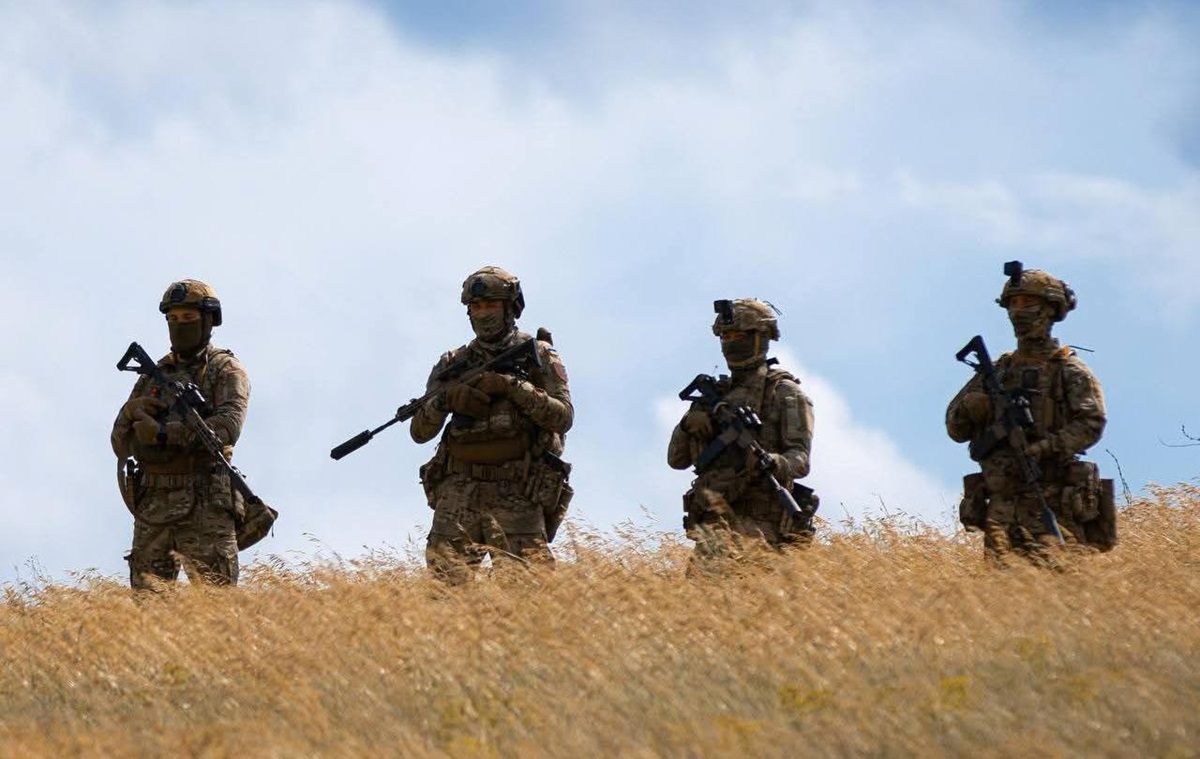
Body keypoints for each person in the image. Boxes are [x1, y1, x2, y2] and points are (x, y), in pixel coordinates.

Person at [411, 266, 573, 584]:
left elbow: (563, 417)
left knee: (528, 593)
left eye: (491, 305)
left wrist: (510, 387)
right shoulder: (452, 364)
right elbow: (419, 432)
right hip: (459, 492)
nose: (483, 313)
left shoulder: (539, 355)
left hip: (517, 489)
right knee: (444, 592)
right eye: (476, 307)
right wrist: (445, 401)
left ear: (510, 307)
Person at [946, 262, 1114, 567]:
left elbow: (1091, 423)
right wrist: (974, 406)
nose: (1019, 311)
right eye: (1014, 304)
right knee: (1001, 589)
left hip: (1053, 499)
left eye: (1029, 303)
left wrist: (1045, 447)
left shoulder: (1068, 370)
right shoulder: (998, 370)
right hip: (1002, 508)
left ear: (1051, 309)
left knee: (1061, 579)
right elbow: (954, 427)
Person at [112, 279, 251, 589]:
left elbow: (228, 427)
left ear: (208, 321)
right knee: (147, 608)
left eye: (188, 318)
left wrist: (164, 434)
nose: (179, 325)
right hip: (153, 508)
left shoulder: (226, 370)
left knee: (216, 606)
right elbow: (120, 444)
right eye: (173, 319)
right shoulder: (154, 375)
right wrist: (130, 413)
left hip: (206, 504)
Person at [668, 299, 816, 567]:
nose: (731, 342)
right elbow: (676, 460)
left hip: (761, 530)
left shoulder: (785, 393)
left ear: (761, 337)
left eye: (739, 335)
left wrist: (774, 462)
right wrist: (688, 424)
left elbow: (800, 460)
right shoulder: (712, 397)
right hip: (713, 528)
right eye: (726, 336)